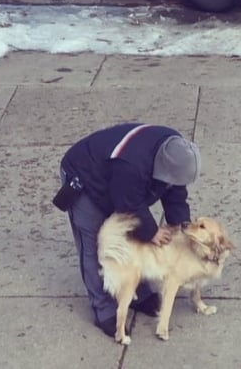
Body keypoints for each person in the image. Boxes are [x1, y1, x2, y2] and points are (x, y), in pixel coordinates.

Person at [55, 123, 201, 338]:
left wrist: (180, 224)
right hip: (84, 179)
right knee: (94, 246)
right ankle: (104, 310)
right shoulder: (131, 166)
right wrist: (151, 232)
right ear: (163, 166)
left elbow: (175, 191)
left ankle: (139, 294)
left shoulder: (176, 151)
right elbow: (128, 204)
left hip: (115, 181)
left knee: (134, 239)